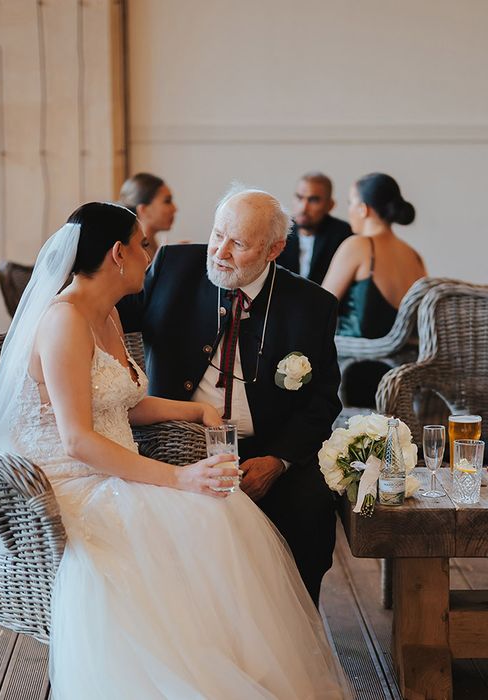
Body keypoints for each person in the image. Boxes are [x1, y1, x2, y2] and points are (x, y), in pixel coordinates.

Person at [0, 202, 349, 698]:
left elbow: (119, 405)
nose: (150, 257)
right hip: (70, 482)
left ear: (274, 249)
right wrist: (178, 478)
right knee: (211, 520)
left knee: (227, 516)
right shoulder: (65, 320)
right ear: (118, 253)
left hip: (122, 467)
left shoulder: (106, 315)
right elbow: (77, 440)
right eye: (142, 245)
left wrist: (192, 411)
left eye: (236, 242)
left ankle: (236, 666)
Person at [119, 187, 342, 604]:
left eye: (238, 243)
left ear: (274, 249)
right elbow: (106, 308)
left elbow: (323, 400)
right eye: (217, 234)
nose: (219, 251)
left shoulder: (311, 306)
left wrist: (278, 461)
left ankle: (297, 622)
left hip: (268, 447)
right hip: (175, 444)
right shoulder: (172, 267)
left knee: (310, 509)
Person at [322, 173, 426, 407]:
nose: (348, 211)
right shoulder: (413, 255)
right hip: (402, 382)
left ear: (363, 209)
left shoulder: (358, 246)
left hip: (354, 373)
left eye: (350, 203)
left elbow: (319, 307)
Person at [277, 171, 352, 284]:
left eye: (313, 200)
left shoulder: (344, 235)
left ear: (330, 205)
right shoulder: (278, 231)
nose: (303, 208)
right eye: (299, 198)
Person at [118, 172, 177, 258]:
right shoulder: (132, 255)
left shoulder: (155, 246)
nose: (174, 209)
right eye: (167, 201)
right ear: (144, 210)